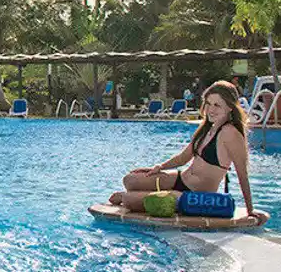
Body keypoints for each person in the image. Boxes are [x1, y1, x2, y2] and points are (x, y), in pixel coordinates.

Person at [112, 80, 267, 224]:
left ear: (230, 107)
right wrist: (159, 167)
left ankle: (152, 196)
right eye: (208, 104)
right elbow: (183, 158)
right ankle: (156, 194)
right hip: (182, 179)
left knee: (128, 199)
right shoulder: (208, 127)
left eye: (217, 105)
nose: (211, 110)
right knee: (130, 180)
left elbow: (242, 173)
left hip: (193, 196)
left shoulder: (231, 133)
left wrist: (250, 209)